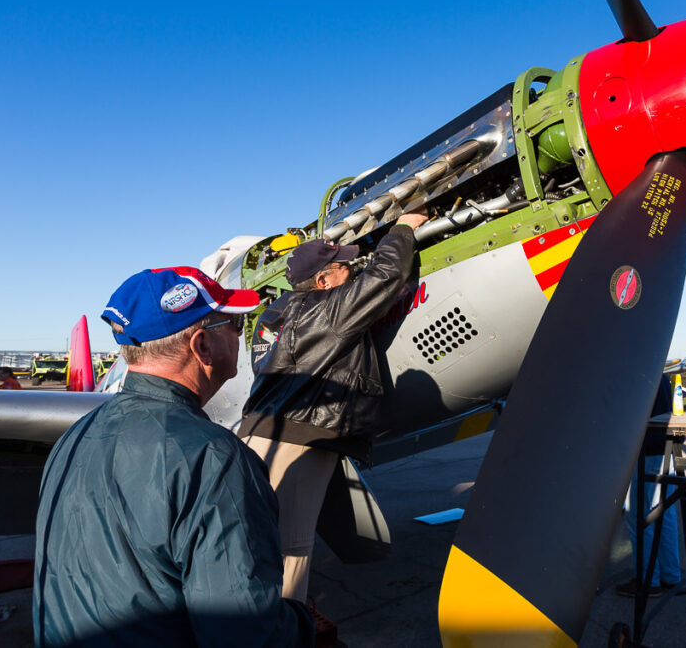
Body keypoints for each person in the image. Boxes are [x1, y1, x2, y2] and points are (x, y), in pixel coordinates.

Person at [33, 266, 314, 647]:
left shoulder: (73, 436)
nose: (239, 334)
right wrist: (301, 621)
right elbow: (245, 634)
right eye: (233, 325)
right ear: (202, 346)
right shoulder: (216, 459)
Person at [240, 212, 427, 602]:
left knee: (261, 541)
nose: (353, 270)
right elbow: (385, 276)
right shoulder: (326, 310)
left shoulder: (273, 316)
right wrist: (404, 227)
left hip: (264, 433)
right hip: (301, 440)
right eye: (344, 266)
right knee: (291, 553)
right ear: (323, 281)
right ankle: (285, 631)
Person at [616, 376, 682, 598]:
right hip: (664, 449)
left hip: (647, 452)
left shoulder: (638, 371)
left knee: (639, 519)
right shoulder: (659, 372)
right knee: (665, 515)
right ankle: (670, 574)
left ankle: (647, 581)